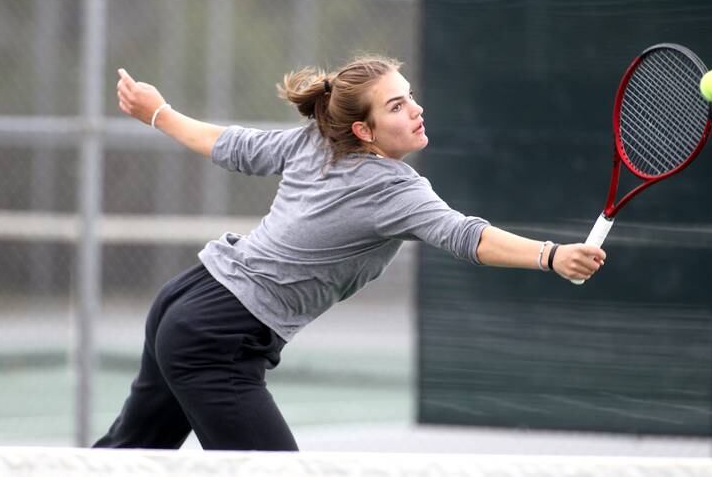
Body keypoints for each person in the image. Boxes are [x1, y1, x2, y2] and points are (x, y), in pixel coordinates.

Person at [95, 55, 606, 451]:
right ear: (363, 130)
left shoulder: (317, 140)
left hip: (185, 300)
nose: (416, 109)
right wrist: (551, 255)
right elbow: (466, 235)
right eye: (397, 106)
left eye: (410, 97)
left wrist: (156, 112)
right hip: (216, 335)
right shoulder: (393, 189)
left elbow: (228, 144)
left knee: (128, 455)